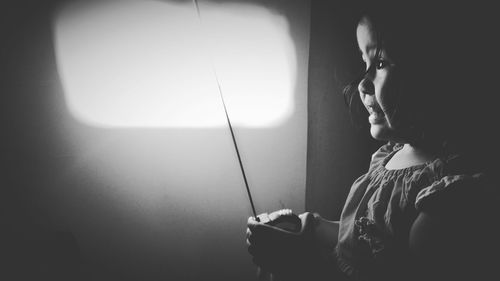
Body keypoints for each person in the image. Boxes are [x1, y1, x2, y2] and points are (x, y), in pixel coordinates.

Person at [246, 2, 498, 281]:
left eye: (380, 64)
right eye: (364, 63)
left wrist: (297, 263)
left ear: (434, 73)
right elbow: (365, 237)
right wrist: (310, 227)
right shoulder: (389, 156)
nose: (362, 84)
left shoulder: (446, 199)